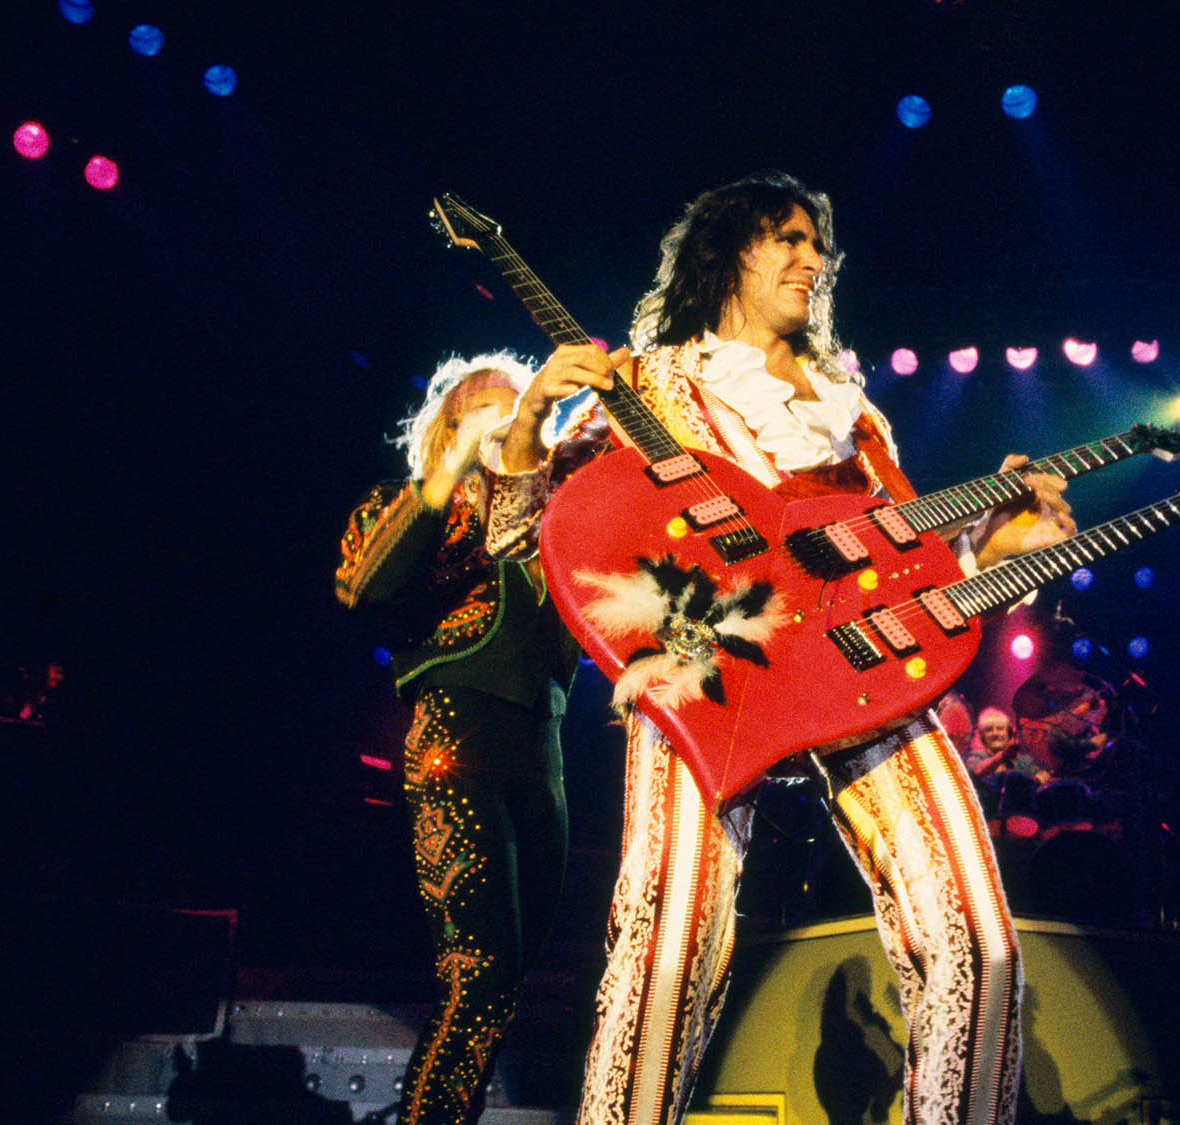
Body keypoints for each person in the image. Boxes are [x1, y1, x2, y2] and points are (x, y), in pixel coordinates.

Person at [490, 172, 1075, 1125]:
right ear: (729, 254)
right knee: (667, 948)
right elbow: (523, 537)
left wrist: (993, 546)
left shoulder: (858, 416)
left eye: (817, 245)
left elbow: (899, 566)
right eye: (786, 239)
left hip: (865, 671)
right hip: (701, 667)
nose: (812, 259)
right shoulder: (648, 385)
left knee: (979, 940)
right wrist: (527, 427)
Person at [334, 352, 599, 1124]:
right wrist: (451, 467)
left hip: (542, 755)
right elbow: (363, 582)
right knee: (478, 976)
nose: (515, 415)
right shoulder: (410, 502)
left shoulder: (551, 517)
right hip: (459, 735)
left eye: (526, 409)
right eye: (491, 401)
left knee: (502, 988)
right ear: (450, 417)